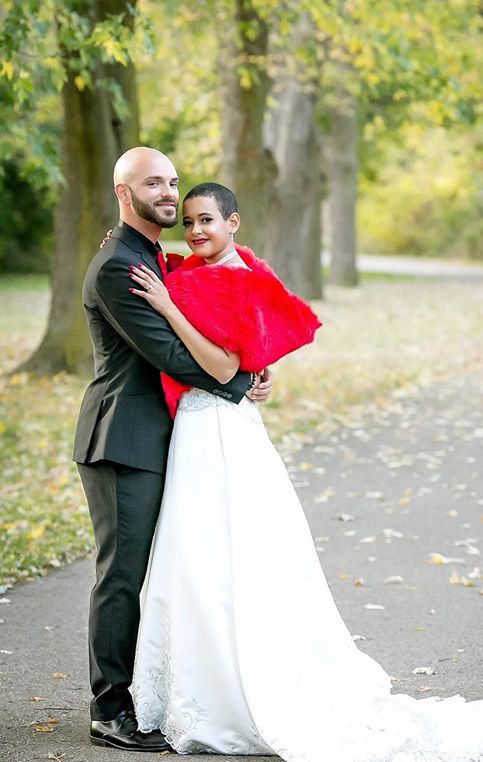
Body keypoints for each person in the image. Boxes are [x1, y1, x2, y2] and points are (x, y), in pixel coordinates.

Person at [127, 182, 483, 762]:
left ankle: (239, 694)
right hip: (202, 431)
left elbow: (225, 364)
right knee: (201, 561)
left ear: (235, 223)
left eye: (207, 221)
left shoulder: (237, 277)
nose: (196, 231)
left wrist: (171, 309)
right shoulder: (216, 269)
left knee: (224, 556)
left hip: (218, 432)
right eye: (189, 222)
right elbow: (229, 329)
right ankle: (207, 688)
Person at [72, 148, 273, 752]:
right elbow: (169, 353)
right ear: (122, 193)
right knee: (122, 576)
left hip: (162, 439)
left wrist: (255, 361)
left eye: (172, 182)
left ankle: (152, 696)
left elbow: (230, 293)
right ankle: (109, 709)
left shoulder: (153, 255)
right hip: (123, 440)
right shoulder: (121, 267)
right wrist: (242, 381)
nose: (167, 192)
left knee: (163, 573)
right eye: (152, 183)